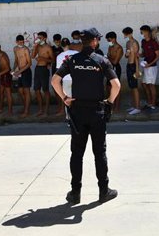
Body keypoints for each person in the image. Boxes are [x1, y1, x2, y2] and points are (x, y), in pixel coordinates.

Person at [51, 27, 120, 205]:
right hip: (97, 111)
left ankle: (75, 193)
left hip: (77, 112)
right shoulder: (102, 61)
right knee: (100, 153)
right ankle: (104, 191)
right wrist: (109, 102)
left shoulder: (72, 60)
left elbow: (54, 80)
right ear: (95, 41)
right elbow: (116, 85)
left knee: (77, 154)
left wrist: (65, 98)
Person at [32, 31, 54, 117]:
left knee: (45, 90)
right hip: (37, 68)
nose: (39, 39)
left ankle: (46, 110)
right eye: (38, 38)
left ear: (45, 38)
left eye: (40, 38)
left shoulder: (48, 47)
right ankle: (40, 109)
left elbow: (52, 60)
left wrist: (43, 59)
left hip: (44, 69)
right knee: (36, 89)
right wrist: (35, 46)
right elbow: (33, 56)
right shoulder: (38, 46)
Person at [140, 25, 159, 110]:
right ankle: (149, 101)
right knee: (144, 84)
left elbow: (158, 56)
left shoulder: (153, 42)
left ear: (147, 32)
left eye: (143, 32)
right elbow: (144, 53)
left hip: (152, 67)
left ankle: (153, 103)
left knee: (151, 85)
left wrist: (150, 64)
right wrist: (140, 55)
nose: (142, 34)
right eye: (141, 32)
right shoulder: (143, 41)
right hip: (145, 65)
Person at [122, 27, 141, 114]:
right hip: (129, 65)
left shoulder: (134, 43)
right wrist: (127, 54)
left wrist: (137, 70)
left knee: (135, 87)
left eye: (125, 34)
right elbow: (126, 56)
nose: (124, 35)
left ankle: (137, 107)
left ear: (129, 33)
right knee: (131, 86)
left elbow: (137, 57)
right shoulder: (128, 43)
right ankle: (134, 105)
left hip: (134, 65)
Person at [56, 38, 77, 116]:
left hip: (66, 80)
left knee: (67, 99)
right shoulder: (76, 53)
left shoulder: (59, 56)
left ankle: (69, 117)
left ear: (61, 45)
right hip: (76, 79)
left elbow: (58, 71)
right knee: (77, 99)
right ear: (70, 44)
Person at [13, 35, 33, 117]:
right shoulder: (15, 48)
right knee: (20, 91)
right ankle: (25, 107)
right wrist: (13, 69)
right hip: (20, 71)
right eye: (20, 42)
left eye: (23, 42)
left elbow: (29, 63)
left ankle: (26, 111)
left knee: (26, 91)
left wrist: (19, 71)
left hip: (26, 71)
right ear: (16, 42)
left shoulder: (26, 49)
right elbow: (16, 60)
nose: (21, 43)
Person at [105, 32, 123, 113]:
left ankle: (117, 107)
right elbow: (108, 56)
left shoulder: (119, 48)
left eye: (109, 40)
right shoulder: (110, 46)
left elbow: (115, 62)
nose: (108, 41)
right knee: (108, 87)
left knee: (116, 87)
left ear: (114, 39)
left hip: (115, 68)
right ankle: (111, 104)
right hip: (110, 68)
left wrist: (108, 58)